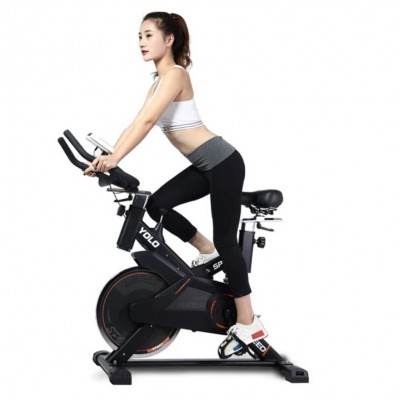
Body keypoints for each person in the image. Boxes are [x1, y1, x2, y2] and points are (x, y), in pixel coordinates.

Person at [84, 11, 267, 357]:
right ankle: (205, 248)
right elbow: (137, 121)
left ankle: (248, 320)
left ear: (169, 40)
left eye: (148, 35)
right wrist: (107, 157)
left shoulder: (176, 75)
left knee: (228, 241)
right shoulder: (157, 82)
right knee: (157, 205)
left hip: (223, 163)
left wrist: (117, 157)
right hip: (204, 165)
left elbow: (149, 121)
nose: (141, 42)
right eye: (139, 36)